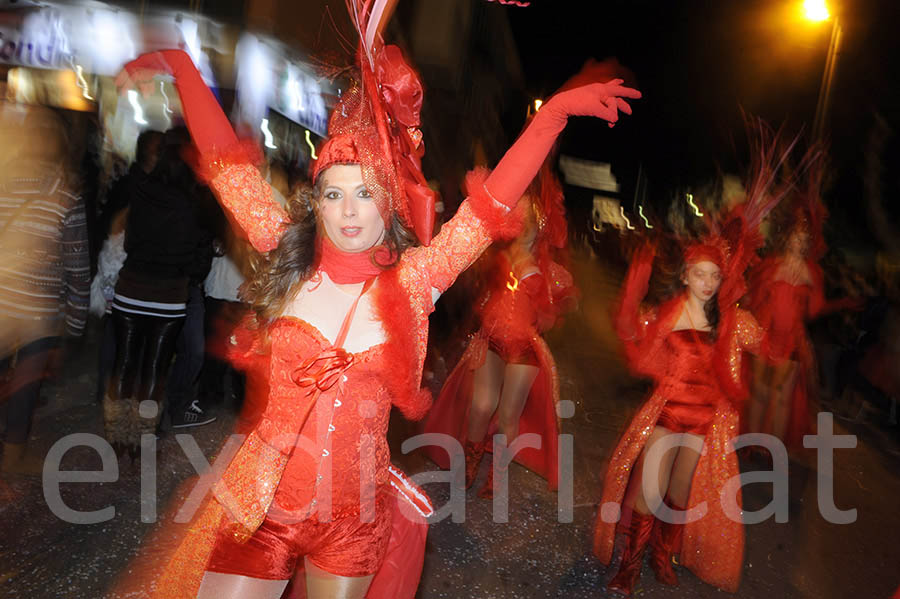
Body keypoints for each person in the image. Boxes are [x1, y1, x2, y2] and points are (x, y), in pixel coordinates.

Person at [115, 5, 639, 596]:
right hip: (261, 508)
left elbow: (487, 205)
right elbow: (227, 168)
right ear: (316, 202)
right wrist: (187, 69)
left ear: (388, 204)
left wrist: (553, 118)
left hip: (353, 523)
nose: (348, 211)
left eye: (365, 194)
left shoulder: (417, 279)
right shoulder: (287, 254)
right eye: (333, 193)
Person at [593, 128, 795, 596]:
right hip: (668, 413)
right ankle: (630, 565)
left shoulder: (732, 320)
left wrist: (781, 305)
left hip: (706, 420)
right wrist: (631, 292)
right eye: (699, 274)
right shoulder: (667, 314)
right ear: (686, 275)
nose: (706, 282)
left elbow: (771, 348)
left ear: (721, 278)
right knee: (648, 489)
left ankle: (664, 555)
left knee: (679, 495)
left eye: (713, 276)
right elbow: (634, 343)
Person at [421, 163, 576, 497]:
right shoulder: (496, 258)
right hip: (491, 340)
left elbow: (553, 313)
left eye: (530, 222)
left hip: (524, 348)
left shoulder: (552, 270)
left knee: (508, 416)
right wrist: (478, 334)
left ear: (539, 226)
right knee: (481, 405)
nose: (524, 228)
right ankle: (470, 464)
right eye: (519, 221)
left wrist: (542, 294)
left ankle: (497, 476)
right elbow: (482, 300)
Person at [0, 104, 90, 475]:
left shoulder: (3, 179)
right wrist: (76, 323)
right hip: (38, 309)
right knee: (24, 387)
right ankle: (12, 461)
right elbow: (77, 266)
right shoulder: (66, 195)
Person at [746, 162, 858, 448]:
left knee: (781, 397)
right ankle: (753, 445)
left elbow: (814, 311)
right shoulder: (771, 267)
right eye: (797, 236)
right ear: (788, 237)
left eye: (804, 238)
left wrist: (839, 303)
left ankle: (771, 449)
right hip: (767, 334)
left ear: (809, 241)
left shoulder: (812, 273)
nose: (800, 240)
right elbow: (753, 300)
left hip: (792, 341)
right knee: (760, 392)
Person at [104, 129, 200, 459]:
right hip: (170, 296)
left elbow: (128, 241)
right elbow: (196, 258)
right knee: (156, 368)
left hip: (132, 289)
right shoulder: (193, 202)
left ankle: (117, 433)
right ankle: (141, 435)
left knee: (125, 362)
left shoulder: (140, 189)